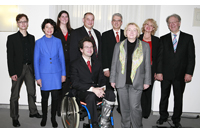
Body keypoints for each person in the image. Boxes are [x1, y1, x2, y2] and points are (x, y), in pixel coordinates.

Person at [156, 14, 195, 128]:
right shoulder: (163, 39)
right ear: (168, 25)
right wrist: (159, 72)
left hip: (181, 75)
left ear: (179, 23)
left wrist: (189, 73)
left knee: (178, 98)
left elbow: (191, 57)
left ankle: (176, 119)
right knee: (164, 97)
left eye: (174, 22)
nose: (172, 24)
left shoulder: (188, 38)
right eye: (169, 23)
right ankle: (162, 116)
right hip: (165, 74)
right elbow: (159, 58)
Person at [110, 23, 151, 128]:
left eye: (134, 30)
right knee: (124, 108)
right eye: (129, 30)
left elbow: (147, 65)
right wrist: (112, 79)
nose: (132, 32)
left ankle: (137, 127)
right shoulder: (118, 45)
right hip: (121, 81)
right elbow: (114, 64)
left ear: (137, 32)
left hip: (137, 82)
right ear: (126, 32)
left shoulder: (145, 46)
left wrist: (147, 81)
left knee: (135, 107)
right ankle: (125, 127)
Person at [70, 37, 115, 128]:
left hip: (97, 89)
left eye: (91, 47)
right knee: (91, 96)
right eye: (87, 47)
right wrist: (93, 89)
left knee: (110, 93)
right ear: (81, 49)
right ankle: (94, 124)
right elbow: (75, 83)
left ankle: (104, 119)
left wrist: (101, 89)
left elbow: (102, 79)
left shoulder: (97, 63)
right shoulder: (75, 64)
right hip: (83, 91)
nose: (90, 49)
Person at [6, 13, 42, 127]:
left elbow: (34, 56)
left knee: (32, 92)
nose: (23, 23)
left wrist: (36, 71)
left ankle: (33, 111)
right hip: (17, 69)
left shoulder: (32, 38)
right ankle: (14, 117)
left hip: (30, 68)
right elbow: (10, 57)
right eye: (21, 21)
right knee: (15, 95)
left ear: (27, 23)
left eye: (25, 21)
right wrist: (12, 73)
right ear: (17, 23)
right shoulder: (11, 38)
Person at [34, 19, 66, 128]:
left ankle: (53, 118)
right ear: (43, 29)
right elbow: (36, 61)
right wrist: (37, 77)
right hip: (44, 75)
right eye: (47, 27)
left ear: (54, 29)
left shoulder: (58, 41)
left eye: (51, 27)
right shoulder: (38, 42)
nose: (49, 29)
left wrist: (63, 74)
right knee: (44, 98)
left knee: (56, 98)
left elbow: (62, 58)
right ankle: (44, 117)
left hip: (57, 74)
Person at [101, 13, 126, 114]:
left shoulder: (126, 34)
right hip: (110, 68)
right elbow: (104, 53)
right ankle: (108, 109)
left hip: (123, 69)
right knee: (109, 90)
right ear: (111, 22)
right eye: (114, 20)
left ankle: (122, 109)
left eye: (119, 20)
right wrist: (106, 68)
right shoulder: (105, 35)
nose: (116, 22)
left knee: (122, 90)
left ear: (121, 22)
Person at [53, 10, 73, 116]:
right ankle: (57, 108)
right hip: (58, 63)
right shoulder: (54, 32)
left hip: (70, 63)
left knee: (67, 87)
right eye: (62, 16)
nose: (64, 18)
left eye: (66, 17)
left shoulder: (72, 32)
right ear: (59, 18)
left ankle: (64, 108)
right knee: (58, 87)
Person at [139, 18, 159, 118]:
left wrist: (157, 71)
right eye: (147, 24)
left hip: (150, 70)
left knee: (148, 91)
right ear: (144, 26)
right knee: (138, 91)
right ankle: (137, 111)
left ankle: (145, 113)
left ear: (153, 28)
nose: (148, 26)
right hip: (138, 70)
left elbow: (158, 58)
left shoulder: (156, 40)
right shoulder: (138, 37)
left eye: (151, 25)